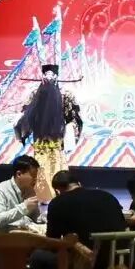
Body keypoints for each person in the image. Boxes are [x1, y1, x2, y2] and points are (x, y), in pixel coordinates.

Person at [27, 171, 125, 269]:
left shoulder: (58, 203)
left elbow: (53, 242)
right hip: (117, 264)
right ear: (79, 184)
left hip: (87, 268)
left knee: (39, 257)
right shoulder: (108, 196)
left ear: (57, 191)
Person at [13, 64, 83, 201]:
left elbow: (72, 116)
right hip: (40, 136)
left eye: (52, 75)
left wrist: (69, 130)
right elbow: (27, 112)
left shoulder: (65, 94)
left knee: (57, 163)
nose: (49, 77)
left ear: (56, 76)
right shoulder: (35, 94)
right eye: (46, 74)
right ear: (43, 76)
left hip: (57, 137)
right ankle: (42, 194)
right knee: (40, 164)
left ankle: (60, 193)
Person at [0, 155, 41, 231]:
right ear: (19, 174)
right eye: (33, 175)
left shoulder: (30, 190)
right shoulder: (0, 191)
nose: (36, 179)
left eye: (36, 176)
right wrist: (24, 207)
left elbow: (35, 219)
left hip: (26, 234)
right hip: (6, 236)